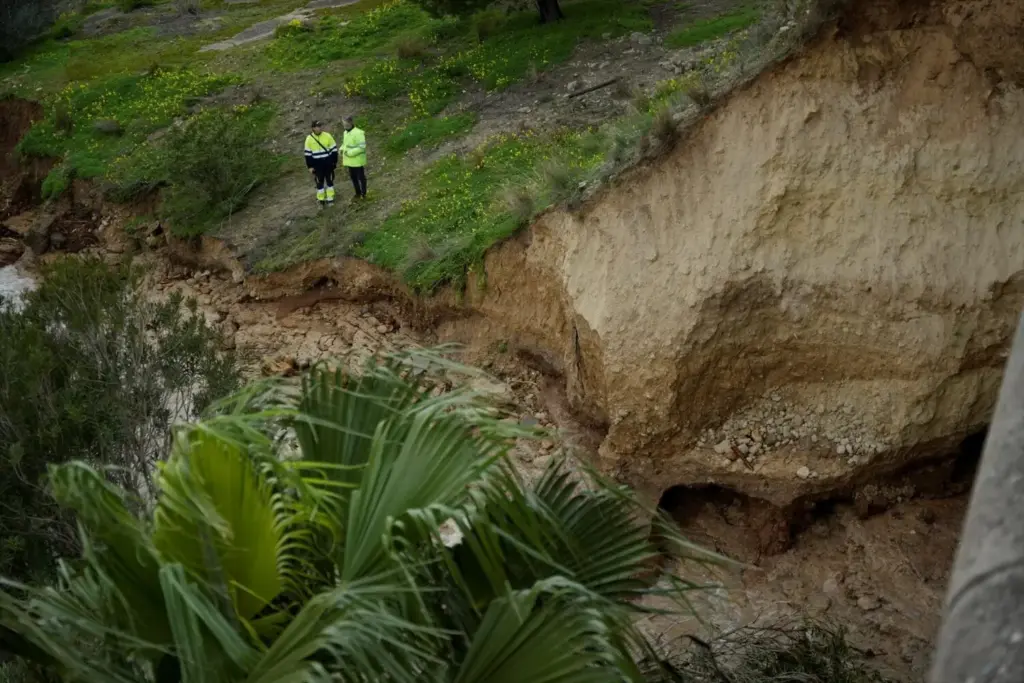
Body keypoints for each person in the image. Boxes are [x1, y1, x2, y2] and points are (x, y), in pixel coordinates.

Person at [304, 120, 338, 207]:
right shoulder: (309, 139)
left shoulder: (327, 136)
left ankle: (330, 198)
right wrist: (310, 166)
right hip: (317, 164)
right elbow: (307, 154)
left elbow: (334, 150)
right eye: (318, 126)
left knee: (329, 180)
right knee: (319, 182)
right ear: (313, 128)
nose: (320, 128)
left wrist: (334, 162)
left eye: (320, 126)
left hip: (327, 162)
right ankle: (321, 199)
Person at [341, 115, 367, 199]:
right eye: (343, 123)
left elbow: (362, 147)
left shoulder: (358, 133)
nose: (344, 125)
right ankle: (357, 193)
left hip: (357, 160)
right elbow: (345, 144)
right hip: (350, 161)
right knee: (353, 178)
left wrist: (350, 153)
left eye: (346, 123)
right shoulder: (345, 133)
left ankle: (363, 193)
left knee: (361, 178)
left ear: (351, 122)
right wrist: (341, 149)